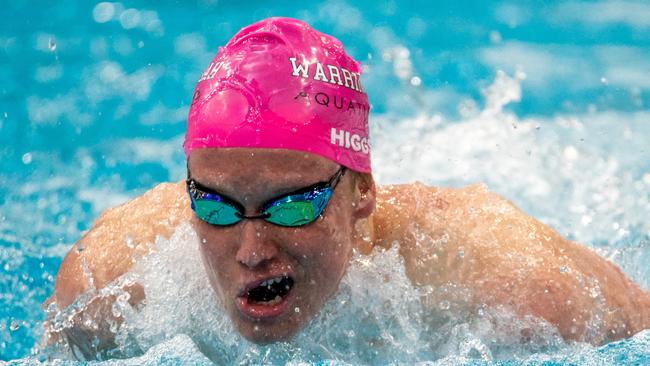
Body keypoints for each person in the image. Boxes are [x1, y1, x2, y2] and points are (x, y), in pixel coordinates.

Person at [45, 17, 650, 359]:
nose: (251, 248)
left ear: (361, 192)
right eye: (216, 205)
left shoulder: (510, 280)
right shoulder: (108, 286)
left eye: (292, 206)